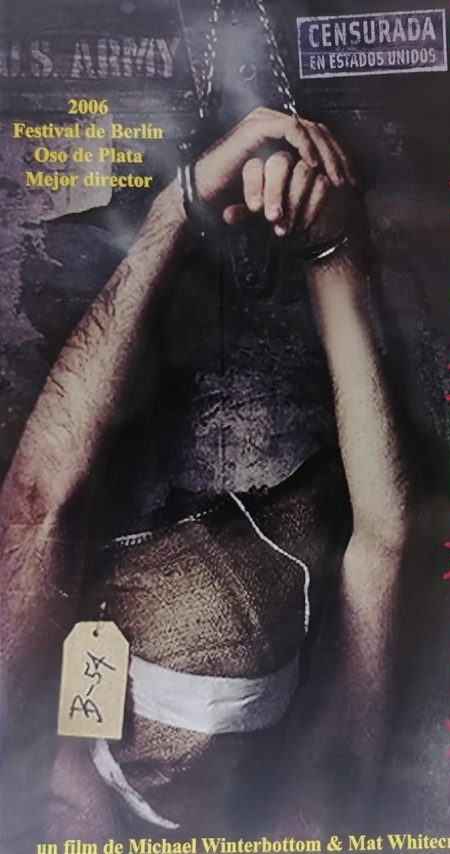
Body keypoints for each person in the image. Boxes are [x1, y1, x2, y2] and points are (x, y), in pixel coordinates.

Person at [0, 99, 406, 843]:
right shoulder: (293, 824)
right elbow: (382, 547)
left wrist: (179, 208)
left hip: (133, 411)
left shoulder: (21, 765)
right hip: (294, 442)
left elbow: (36, 506)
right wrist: (334, 257)